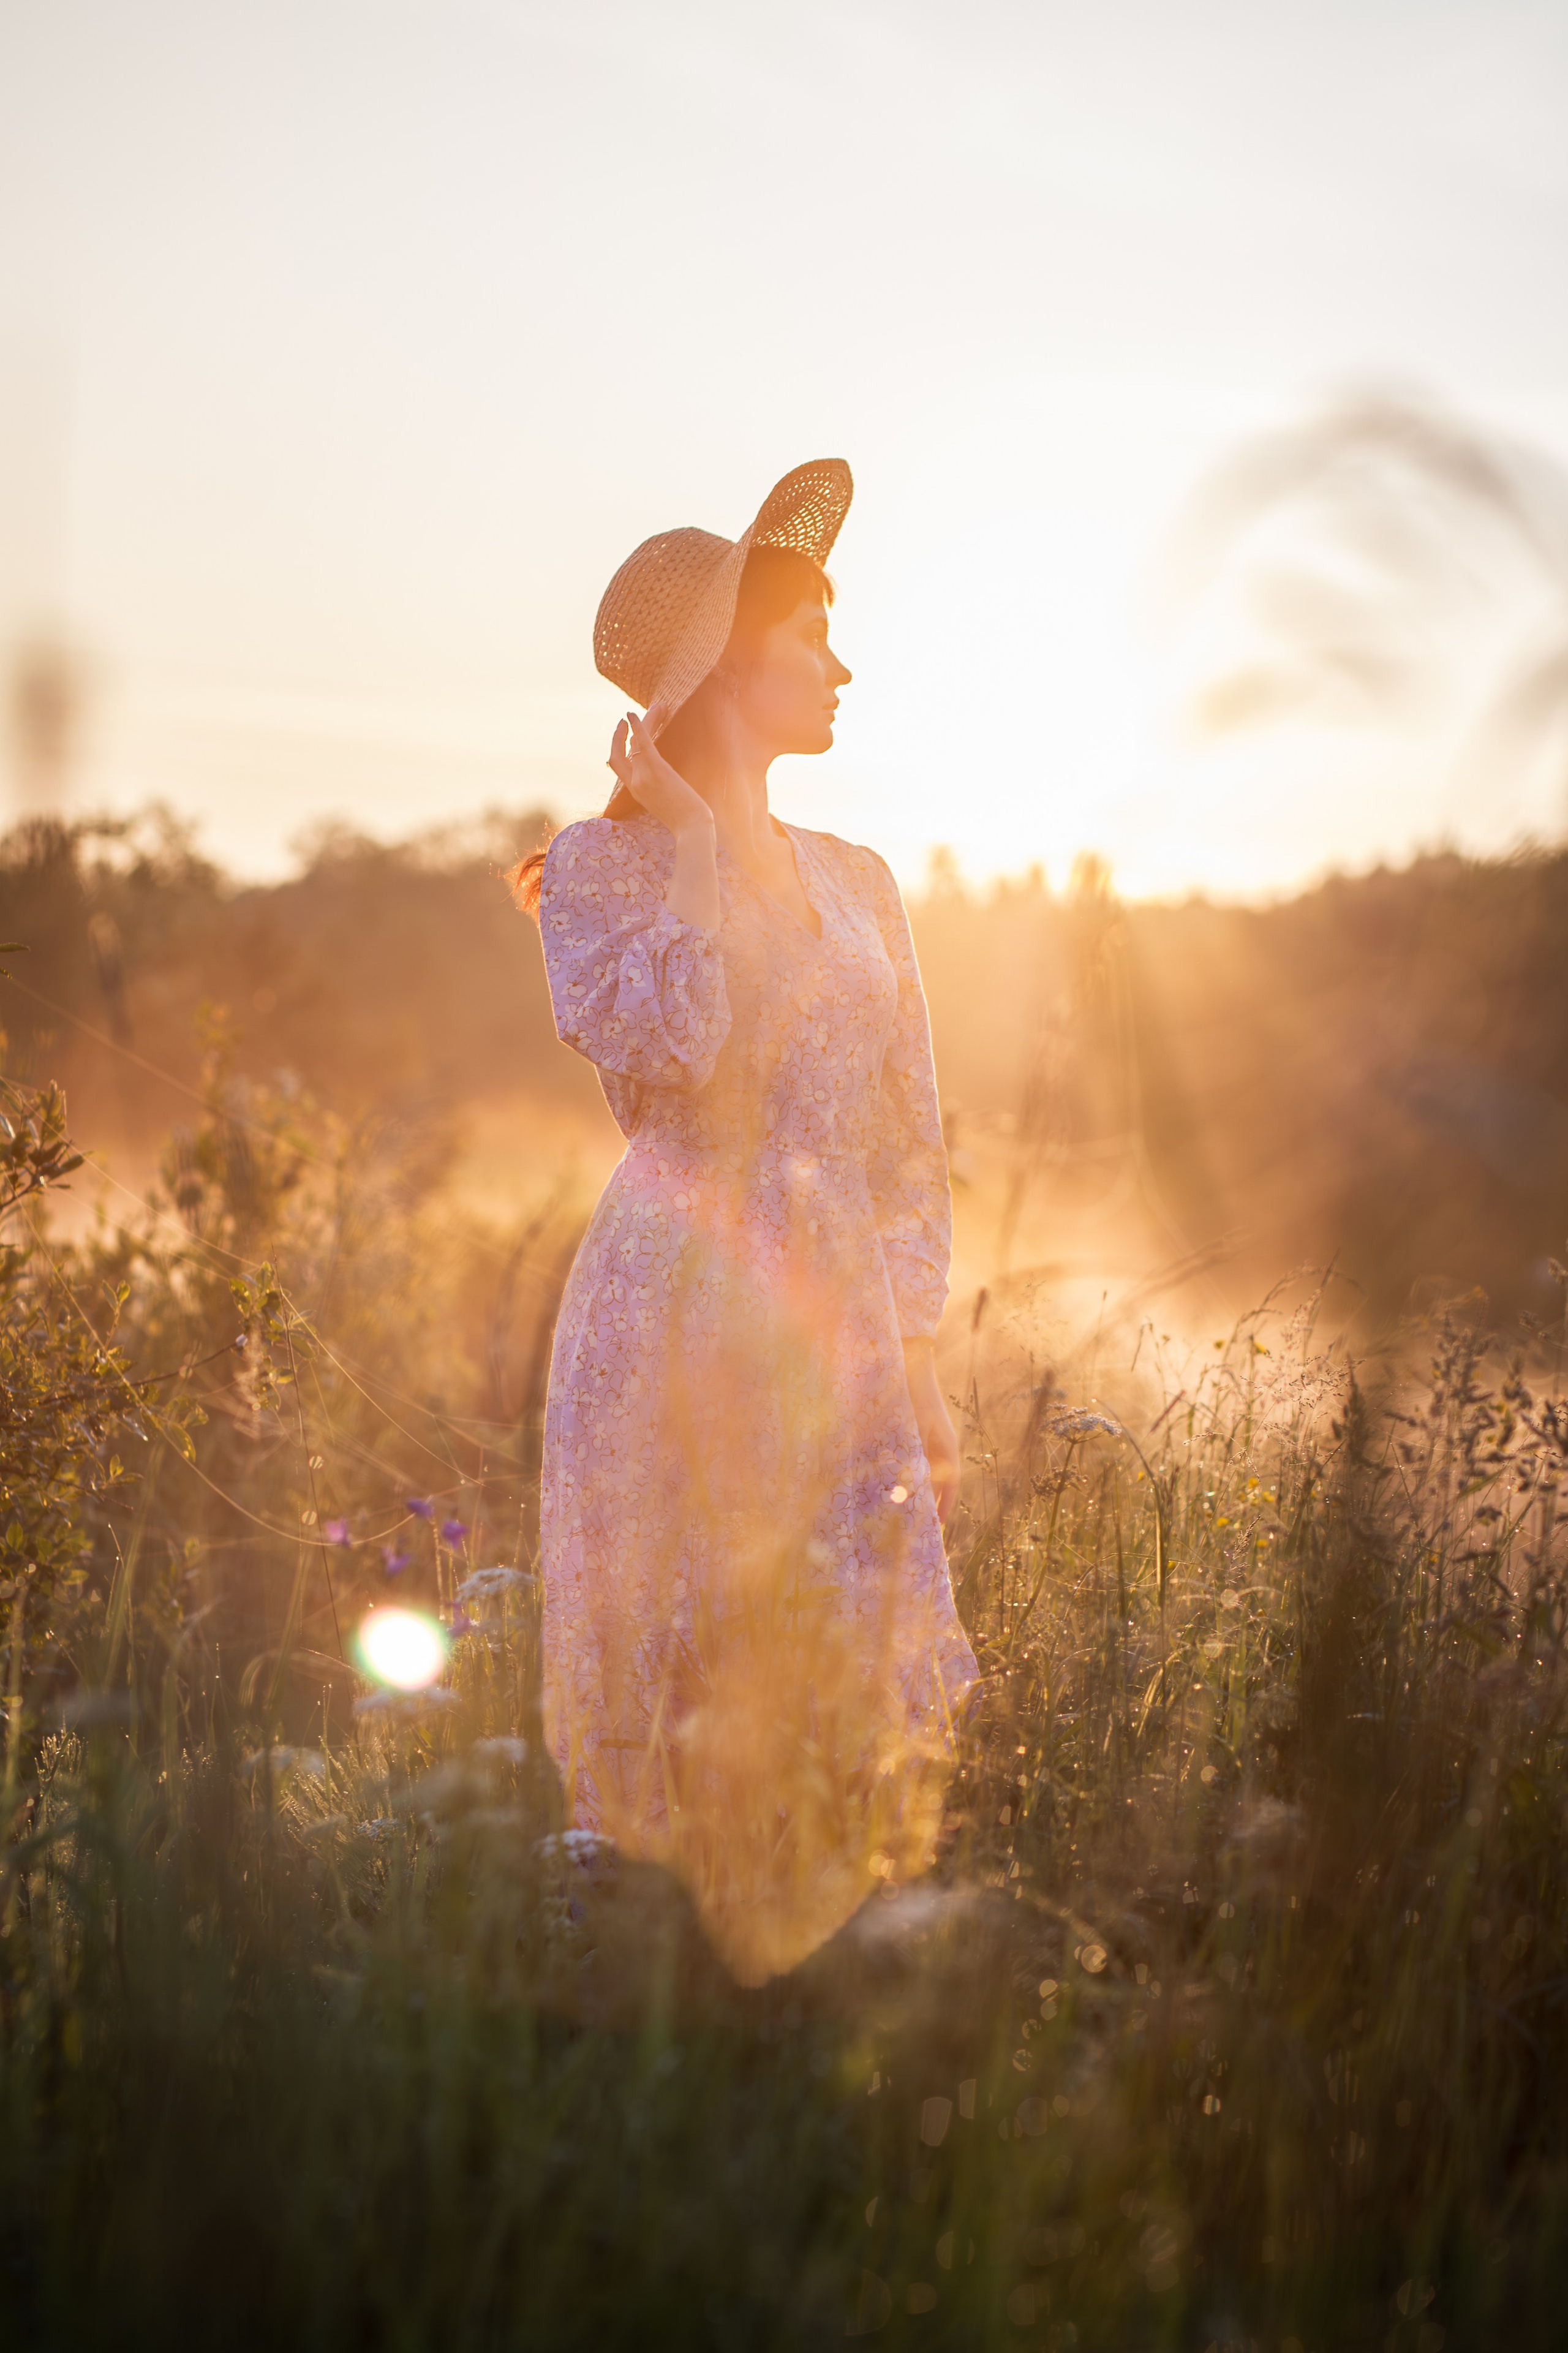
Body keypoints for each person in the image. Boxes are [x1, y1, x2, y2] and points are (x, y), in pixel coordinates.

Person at [513, 458, 978, 1982]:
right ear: (721, 673)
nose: (842, 664)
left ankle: (814, 2011)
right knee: (673, 1660)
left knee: (842, 1662)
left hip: (832, 1316)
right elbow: (682, 1057)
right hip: (669, 1309)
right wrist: (701, 857)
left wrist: (903, 1329)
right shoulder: (596, 874)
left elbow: (909, 1140)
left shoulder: (861, 883)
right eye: (811, 637)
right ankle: (633, 2022)